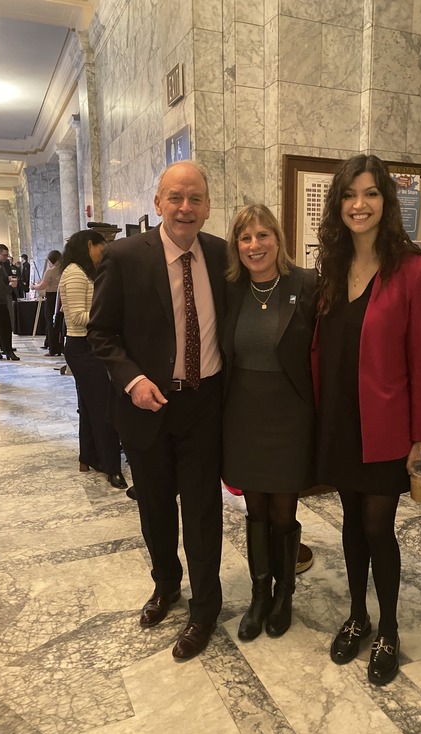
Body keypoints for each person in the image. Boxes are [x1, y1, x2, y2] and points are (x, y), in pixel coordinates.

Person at [313, 154, 421, 685]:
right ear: (338, 205)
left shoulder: (416, 271)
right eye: (349, 195)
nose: (359, 205)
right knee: (350, 524)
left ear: (386, 203)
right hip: (340, 421)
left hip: (387, 426)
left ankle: (388, 626)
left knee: (376, 526)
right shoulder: (333, 267)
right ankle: (357, 616)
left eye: (370, 194)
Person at [87, 161, 226, 661]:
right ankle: (166, 584)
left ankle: (206, 607)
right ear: (158, 202)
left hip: (204, 405)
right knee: (156, 507)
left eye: (195, 198)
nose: (185, 208)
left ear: (208, 205)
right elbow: (100, 333)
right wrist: (133, 380)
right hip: (147, 405)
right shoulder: (124, 258)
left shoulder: (220, 255)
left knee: (204, 511)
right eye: (176, 198)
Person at [223, 204, 317, 641]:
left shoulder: (307, 284)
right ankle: (260, 596)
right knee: (255, 510)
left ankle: (285, 595)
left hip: (290, 415)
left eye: (263, 235)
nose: (254, 245)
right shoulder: (230, 289)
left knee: (283, 512)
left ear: (278, 239)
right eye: (245, 238)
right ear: (236, 246)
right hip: (243, 414)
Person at [59, 230, 127, 491]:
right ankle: (112, 468)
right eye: (102, 246)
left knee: (89, 407)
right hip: (83, 348)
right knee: (104, 408)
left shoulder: (82, 271)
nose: (104, 251)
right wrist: (110, 315)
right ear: (90, 245)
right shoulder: (75, 273)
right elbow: (76, 317)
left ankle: (88, 457)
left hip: (89, 346)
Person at [31, 250, 63, 356]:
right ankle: (60, 347)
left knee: (50, 322)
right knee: (59, 322)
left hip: (51, 297)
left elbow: (42, 286)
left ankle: (52, 349)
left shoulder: (50, 271)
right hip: (61, 297)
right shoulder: (63, 269)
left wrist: (34, 286)